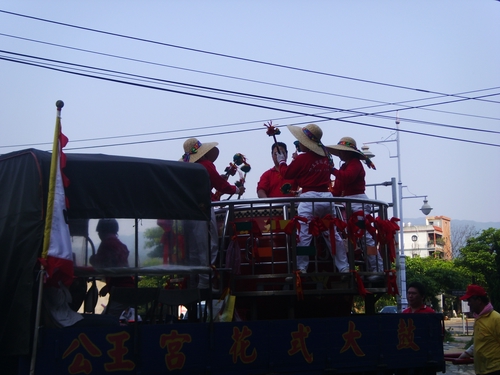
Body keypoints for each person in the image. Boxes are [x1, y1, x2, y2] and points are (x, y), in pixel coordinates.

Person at [277, 124, 349, 276]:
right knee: (332, 234)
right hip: (327, 198)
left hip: (309, 199)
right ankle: (344, 267)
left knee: (303, 234)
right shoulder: (325, 155)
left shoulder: (303, 158)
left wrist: (282, 161)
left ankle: (302, 267)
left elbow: (287, 173)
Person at [181, 137, 245, 289]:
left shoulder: (184, 169)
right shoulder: (206, 166)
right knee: (209, 245)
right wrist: (237, 189)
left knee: (193, 248)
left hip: (186, 212)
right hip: (202, 210)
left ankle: (192, 280)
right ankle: (205, 281)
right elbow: (221, 184)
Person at [326, 136, 383, 282]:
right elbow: (338, 189)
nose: (340, 154)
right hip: (349, 205)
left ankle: (377, 269)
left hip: (357, 204)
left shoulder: (355, 164)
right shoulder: (346, 166)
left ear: (349, 152)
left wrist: (332, 170)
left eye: (342, 151)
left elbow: (347, 178)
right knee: (355, 238)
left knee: (366, 238)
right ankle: (369, 268)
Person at [89, 219, 134, 316]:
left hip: (119, 291)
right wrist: (108, 286)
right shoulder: (120, 245)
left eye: (98, 232)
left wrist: (92, 260)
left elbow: (101, 264)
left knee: (108, 319)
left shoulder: (106, 244)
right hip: (127, 287)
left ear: (102, 231)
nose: (98, 235)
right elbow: (118, 269)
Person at [458, 284, 500, 375]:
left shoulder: (496, 319)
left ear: (479, 300)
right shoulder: (479, 319)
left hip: (495, 369)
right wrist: (467, 353)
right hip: (483, 370)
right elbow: (481, 341)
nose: (468, 304)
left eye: (469, 300)